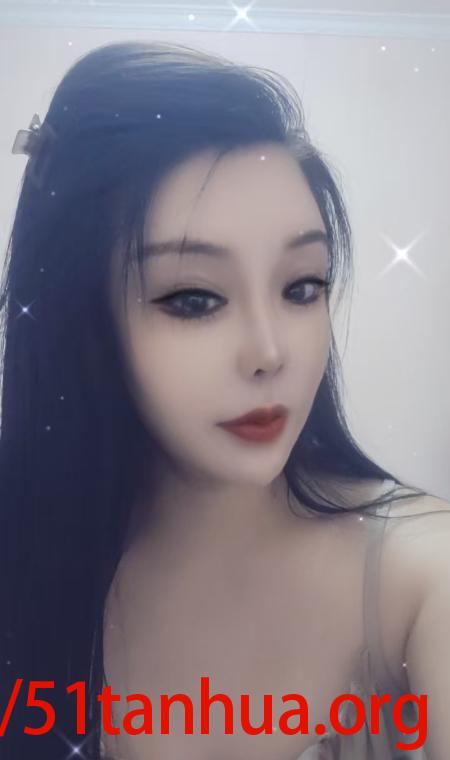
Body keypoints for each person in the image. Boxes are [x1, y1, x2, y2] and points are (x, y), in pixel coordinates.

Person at [1, 40, 449, 760]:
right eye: (195, 298)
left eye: (302, 286)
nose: (270, 351)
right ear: (79, 318)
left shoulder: (422, 574)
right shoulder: (27, 565)